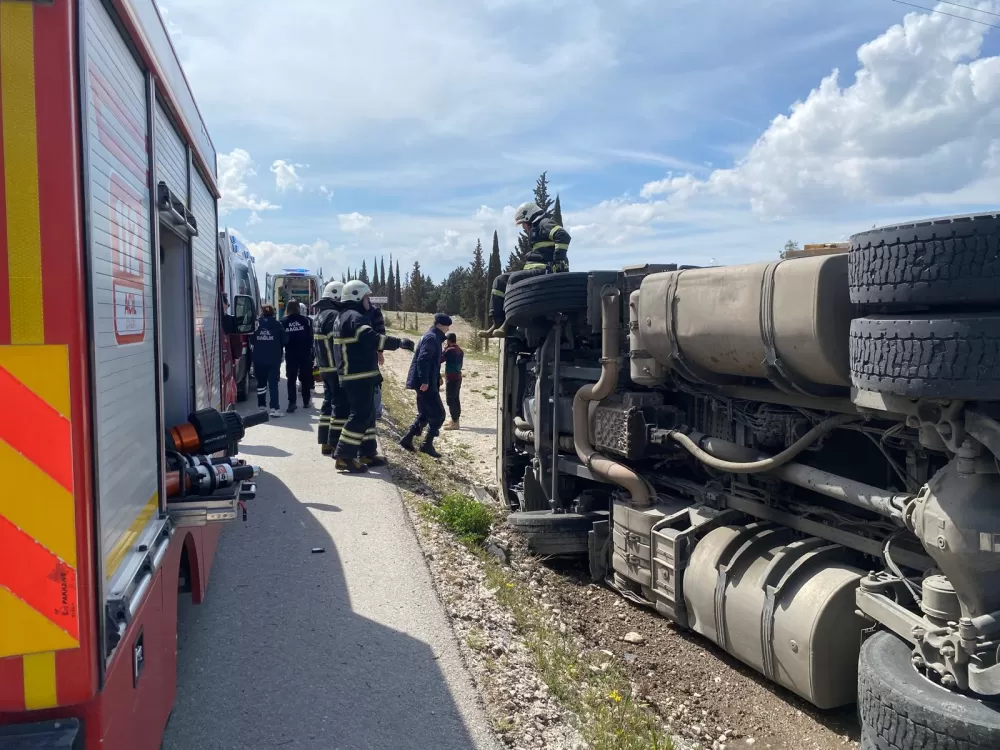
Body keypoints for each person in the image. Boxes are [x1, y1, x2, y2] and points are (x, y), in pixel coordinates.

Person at [332, 280, 415, 473]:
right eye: (367, 297)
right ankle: (344, 456)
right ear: (357, 297)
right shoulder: (354, 317)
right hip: (357, 376)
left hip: (359, 375)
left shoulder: (345, 316)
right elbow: (372, 339)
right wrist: (399, 343)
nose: (369, 301)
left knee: (368, 415)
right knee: (359, 415)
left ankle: (367, 452)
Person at [479, 201, 571, 338]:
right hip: (536, 271)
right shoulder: (537, 228)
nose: (523, 228)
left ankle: (508, 323)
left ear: (529, 217)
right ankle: (497, 323)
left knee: (514, 280)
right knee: (500, 281)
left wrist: (558, 261)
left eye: (523, 224)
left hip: (546, 271)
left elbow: (562, 235)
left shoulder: (544, 223)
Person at [400, 313, 451, 458]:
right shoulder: (432, 338)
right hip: (424, 383)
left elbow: (431, 362)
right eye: (447, 326)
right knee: (439, 414)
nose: (448, 329)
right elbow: (423, 360)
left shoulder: (432, 337)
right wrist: (425, 381)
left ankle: (407, 439)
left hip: (425, 381)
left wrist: (437, 376)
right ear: (440, 325)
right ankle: (426, 445)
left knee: (425, 413)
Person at [312, 281, 347, 455]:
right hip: (334, 368)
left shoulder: (319, 316)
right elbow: (337, 344)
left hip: (324, 367)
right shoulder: (333, 315)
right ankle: (334, 443)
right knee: (339, 405)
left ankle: (324, 441)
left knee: (327, 403)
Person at [251, 304, 285, 417]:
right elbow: (285, 340)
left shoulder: (257, 325)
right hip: (273, 359)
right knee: (273, 384)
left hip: (259, 359)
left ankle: (261, 407)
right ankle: (274, 409)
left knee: (261, 384)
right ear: (273, 313)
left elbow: (252, 340)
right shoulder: (277, 324)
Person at [281, 299, 314, 413]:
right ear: (298, 308)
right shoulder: (305, 320)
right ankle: (306, 401)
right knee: (305, 377)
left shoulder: (284, 321)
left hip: (291, 353)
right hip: (305, 352)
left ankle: (292, 403)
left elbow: (282, 338)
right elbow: (310, 336)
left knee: (291, 378)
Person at [441, 332, 463, 430]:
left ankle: (455, 422)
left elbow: (440, 359)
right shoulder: (460, 350)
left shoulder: (450, 350)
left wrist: (444, 349)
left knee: (450, 400)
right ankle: (455, 419)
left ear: (448, 341)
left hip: (451, 378)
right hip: (458, 377)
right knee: (456, 398)